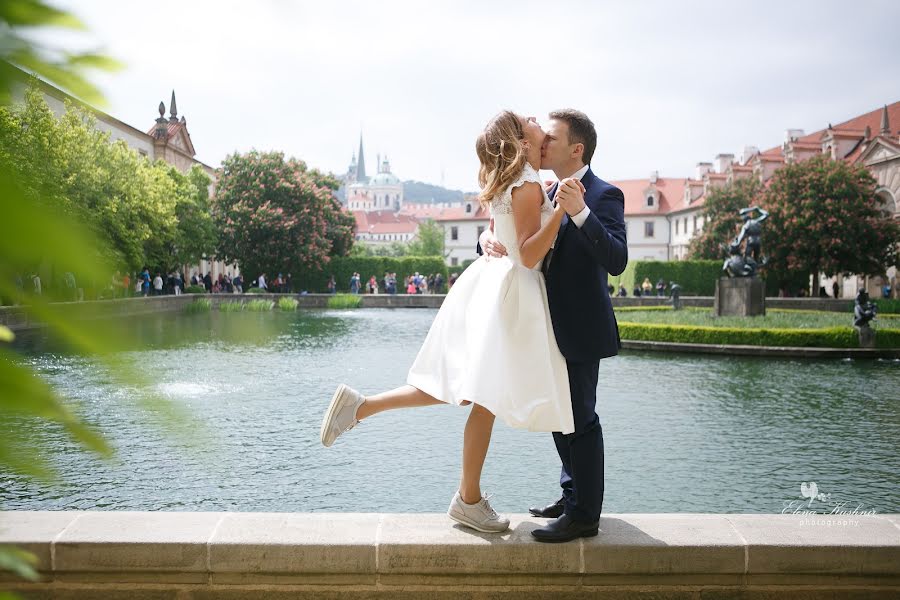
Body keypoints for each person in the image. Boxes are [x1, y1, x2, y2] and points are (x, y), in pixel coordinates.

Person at [321, 110, 579, 534]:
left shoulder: (511, 180)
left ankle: (362, 407)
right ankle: (468, 499)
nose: (537, 120)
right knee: (482, 396)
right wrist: (560, 216)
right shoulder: (529, 183)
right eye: (529, 119)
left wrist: (494, 235)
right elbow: (529, 255)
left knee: (467, 390)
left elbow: (505, 232)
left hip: (491, 285)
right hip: (512, 291)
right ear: (521, 138)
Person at [480, 108, 627, 543]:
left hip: (581, 325)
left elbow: (617, 260)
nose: (542, 143)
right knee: (560, 416)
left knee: (582, 418)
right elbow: (515, 234)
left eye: (552, 139)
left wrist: (580, 212)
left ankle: (585, 516)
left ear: (576, 149)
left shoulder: (605, 194)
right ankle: (571, 496)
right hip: (543, 323)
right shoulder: (539, 187)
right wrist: (486, 240)